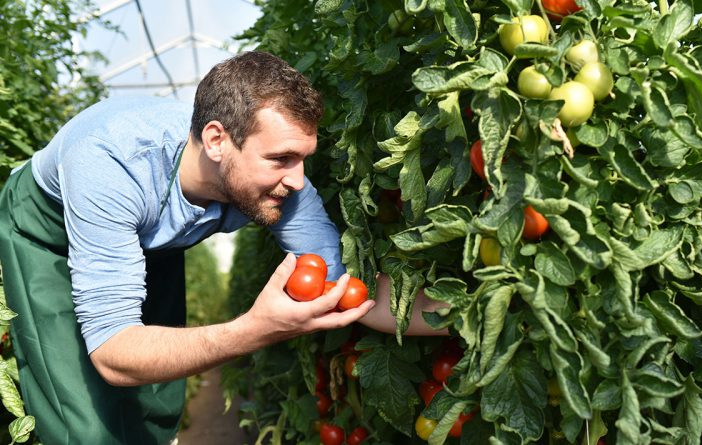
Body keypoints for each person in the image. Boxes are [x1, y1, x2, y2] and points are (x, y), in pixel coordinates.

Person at [0, 50, 442, 445]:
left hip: (148, 238)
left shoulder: (283, 187)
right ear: (216, 141)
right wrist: (254, 329)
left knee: (154, 402)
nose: (299, 179)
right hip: (48, 232)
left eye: (302, 157)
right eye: (281, 158)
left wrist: (470, 320)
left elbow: (347, 288)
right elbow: (113, 353)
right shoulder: (110, 163)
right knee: (84, 421)